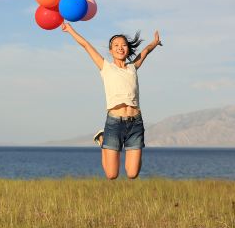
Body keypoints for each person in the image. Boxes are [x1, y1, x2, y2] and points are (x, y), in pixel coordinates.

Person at [61, 22, 162, 180]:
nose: (120, 47)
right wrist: (70, 30)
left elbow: (146, 51)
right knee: (112, 175)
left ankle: (109, 141)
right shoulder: (105, 67)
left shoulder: (132, 67)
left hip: (135, 123)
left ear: (127, 49)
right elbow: (86, 45)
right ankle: (102, 139)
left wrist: (154, 43)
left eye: (123, 45)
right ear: (110, 50)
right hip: (114, 123)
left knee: (132, 174)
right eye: (116, 45)